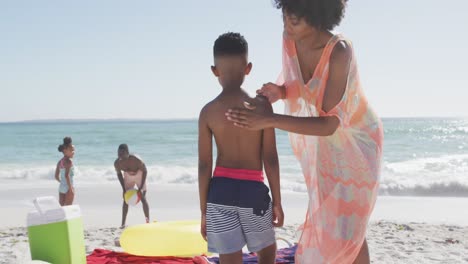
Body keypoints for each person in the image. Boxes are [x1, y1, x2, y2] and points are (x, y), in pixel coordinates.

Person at [225, 1, 384, 263]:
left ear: (317, 16)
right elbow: (301, 85)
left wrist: (269, 120)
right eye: (285, 14)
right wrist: (281, 91)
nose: (287, 23)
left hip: (357, 141)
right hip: (328, 144)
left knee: (350, 227)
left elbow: (330, 123)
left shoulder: (339, 52)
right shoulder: (290, 39)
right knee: (335, 219)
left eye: (295, 19)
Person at [198, 32, 284, 264]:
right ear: (248, 68)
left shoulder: (208, 112)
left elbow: (204, 165)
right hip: (253, 192)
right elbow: (270, 158)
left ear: (215, 70)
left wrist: (204, 211)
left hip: (219, 194)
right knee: (266, 251)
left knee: (229, 257)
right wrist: (277, 200)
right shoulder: (262, 107)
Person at [114, 144, 150, 228]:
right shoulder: (117, 163)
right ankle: (123, 224)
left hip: (139, 174)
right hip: (128, 175)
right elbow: (119, 175)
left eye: (122, 154)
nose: (120, 156)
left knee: (143, 198)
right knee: (125, 199)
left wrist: (140, 187)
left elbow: (145, 171)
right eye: (118, 154)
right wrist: (124, 189)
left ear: (127, 153)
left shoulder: (136, 160)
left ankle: (148, 222)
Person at [54, 136, 75, 206]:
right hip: (68, 187)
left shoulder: (60, 162)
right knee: (68, 208)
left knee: (62, 208)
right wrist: (70, 188)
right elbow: (66, 175)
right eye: (71, 150)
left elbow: (56, 176)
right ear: (65, 151)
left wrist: (62, 182)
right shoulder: (69, 162)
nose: (73, 152)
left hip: (61, 187)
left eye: (74, 150)